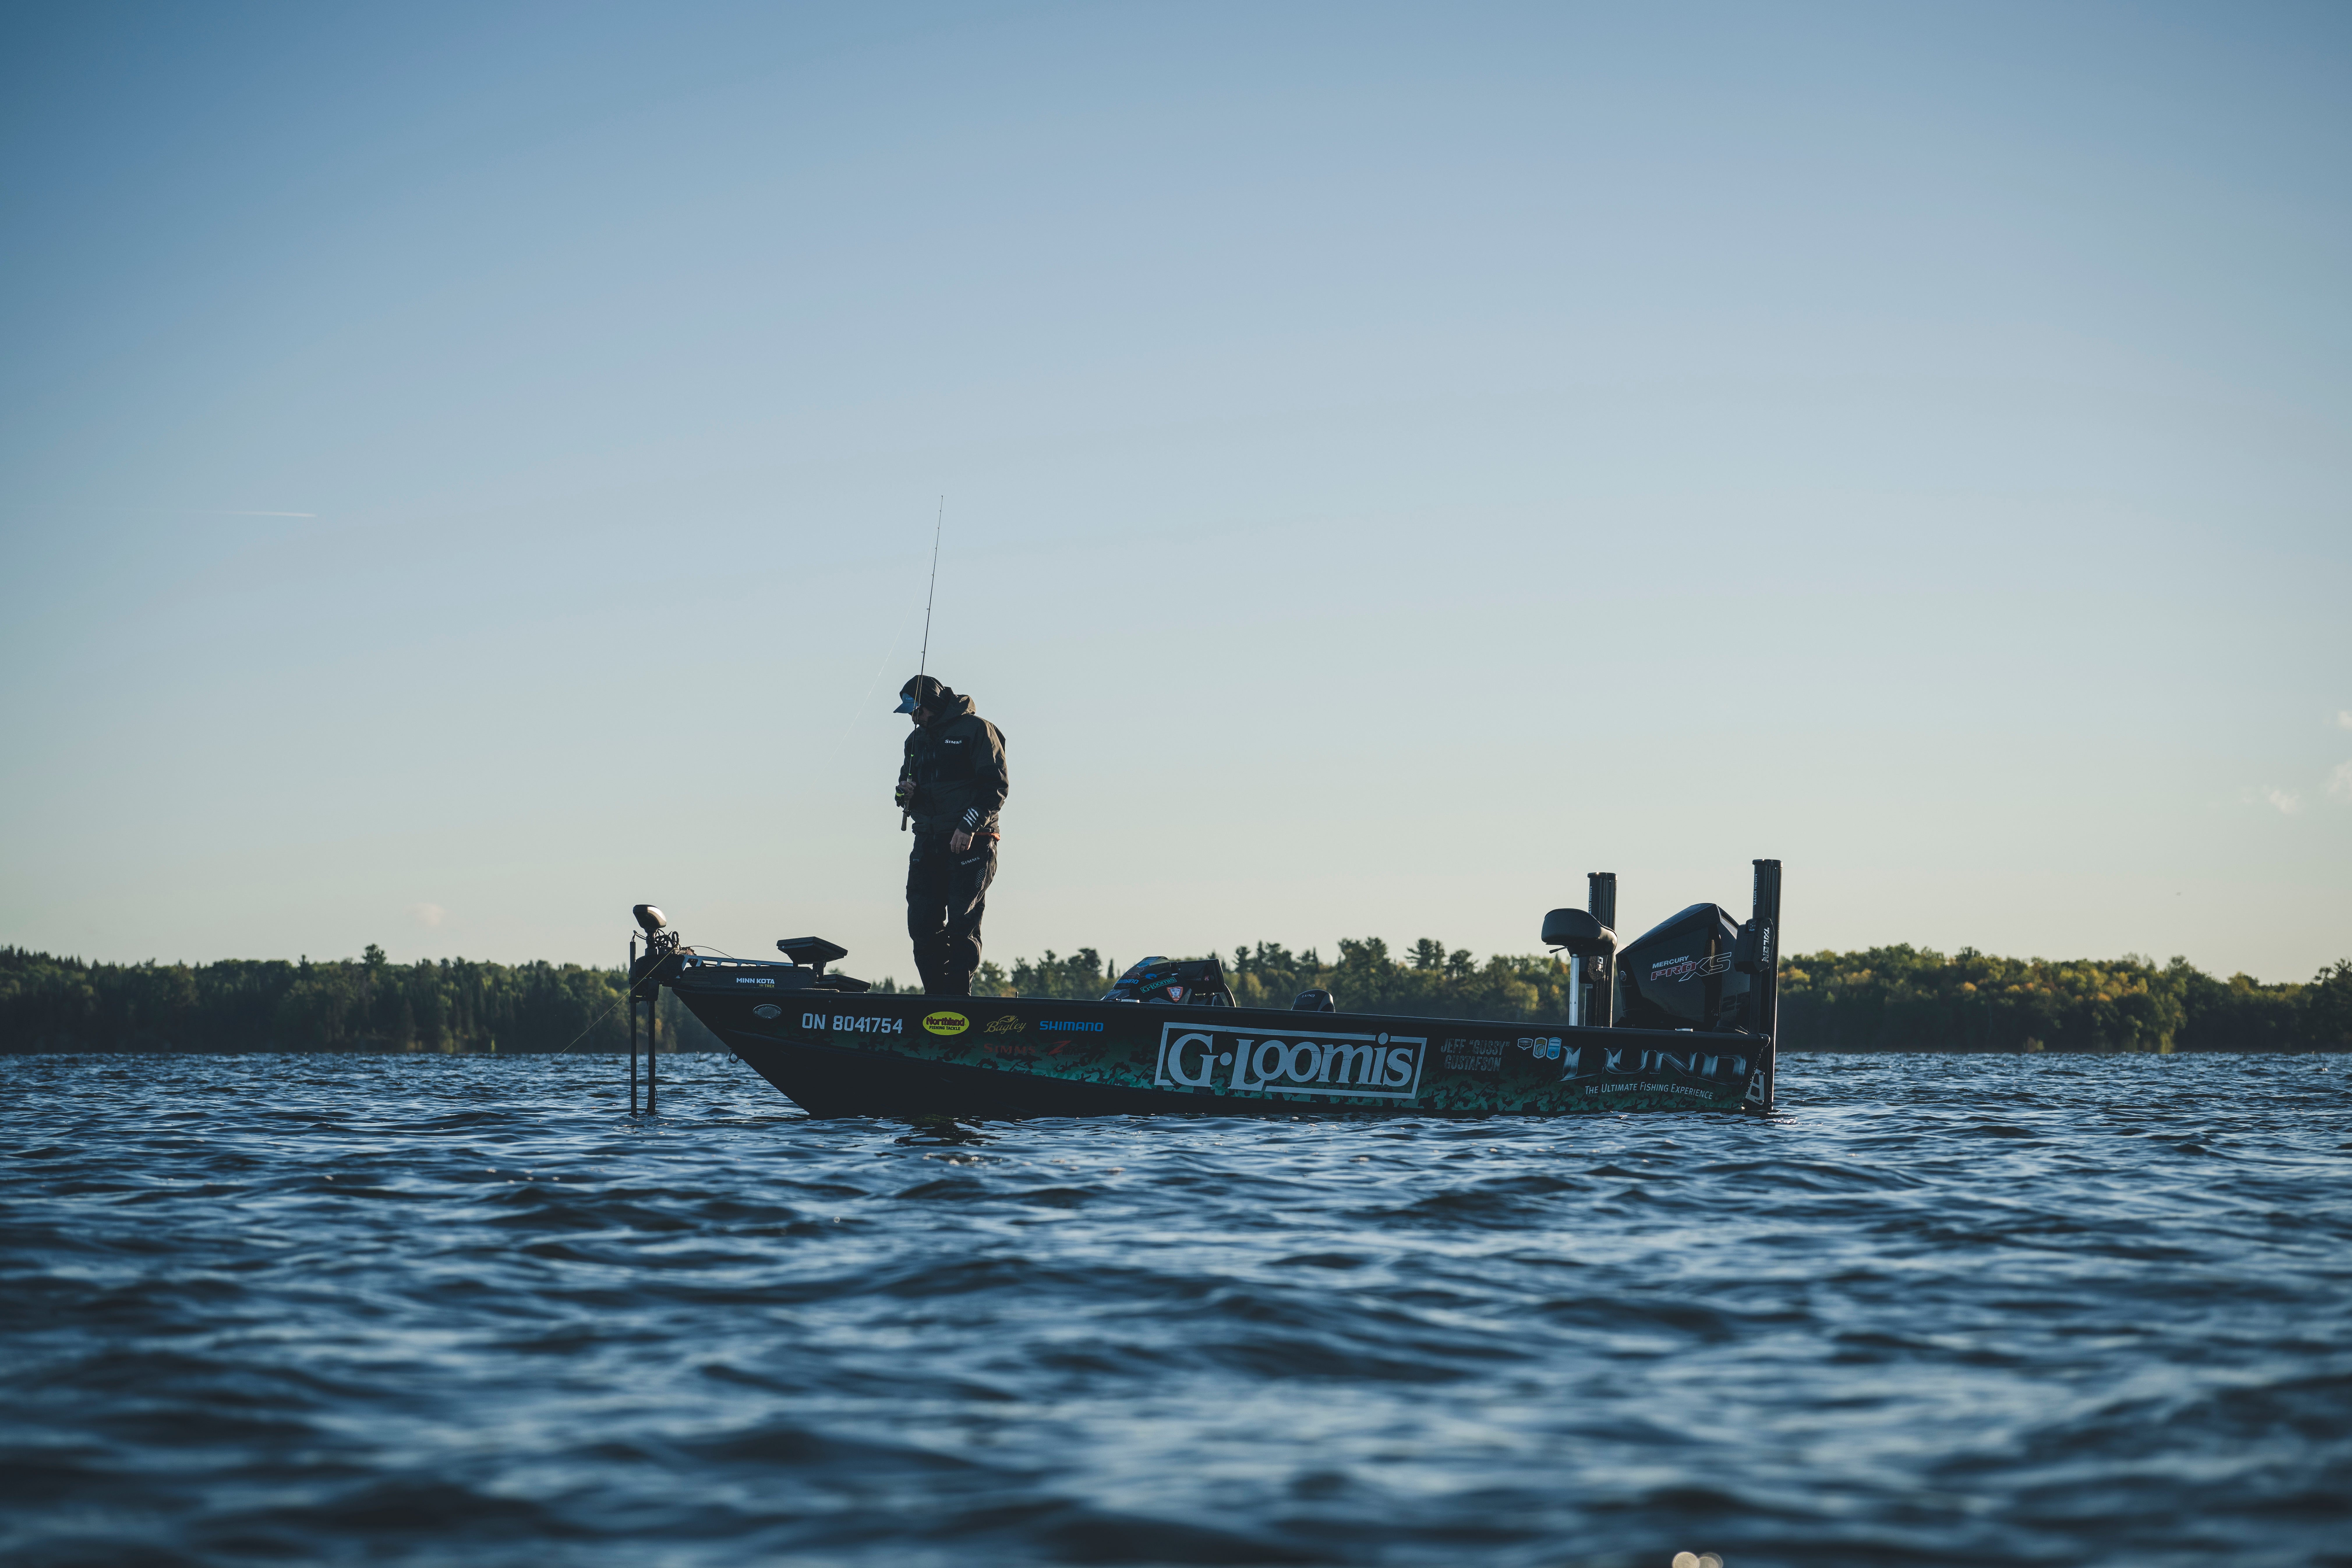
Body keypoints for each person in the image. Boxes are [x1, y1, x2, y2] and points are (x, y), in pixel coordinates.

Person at [893, 675, 1008, 996]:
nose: (914, 718)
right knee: (921, 925)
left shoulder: (978, 730)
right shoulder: (914, 742)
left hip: (972, 841)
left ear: (932, 704)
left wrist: (968, 826)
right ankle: (935, 999)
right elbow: (903, 796)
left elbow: (995, 788)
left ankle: (958, 1001)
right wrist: (905, 794)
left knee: (962, 923)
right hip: (927, 841)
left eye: (916, 710)